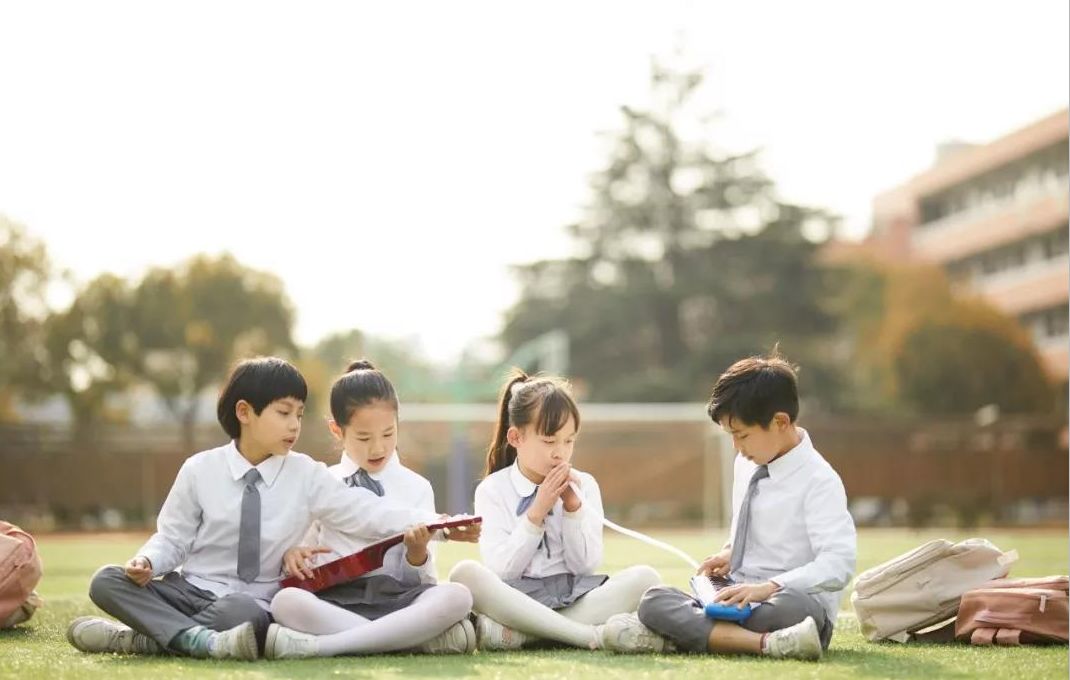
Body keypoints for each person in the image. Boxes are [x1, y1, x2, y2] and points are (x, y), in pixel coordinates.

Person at [67, 356, 438, 660]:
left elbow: (367, 512)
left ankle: (141, 639)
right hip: (187, 588)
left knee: (243, 617)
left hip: (248, 603)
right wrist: (147, 562)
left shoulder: (307, 475)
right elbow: (172, 538)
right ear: (245, 412)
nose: (295, 425)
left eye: (299, 413)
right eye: (283, 413)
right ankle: (192, 639)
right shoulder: (200, 469)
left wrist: (440, 523)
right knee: (106, 580)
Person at [601, 352, 857, 661]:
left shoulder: (819, 480)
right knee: (654, 600)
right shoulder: (746, 463)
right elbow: (744, 532)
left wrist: (768, 587)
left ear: (780, 421)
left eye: (742, 435)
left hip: (785, 604)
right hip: (736, 597)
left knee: (794, 608)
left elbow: (838, 563)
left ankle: (676, 638)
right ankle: (764, 643)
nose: (736, 446)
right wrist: (729, 553)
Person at [265, 360, 478, 658]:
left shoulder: (417, 487)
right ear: (337, 430)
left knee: (458, 596)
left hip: (399, 601)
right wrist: (293, 557)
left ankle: (324, 646)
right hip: (336, 601)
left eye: (388, 434)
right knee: (285, 601)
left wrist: (417, 556)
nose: (378, 448)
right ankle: (411, 640)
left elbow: (423, 580)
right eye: (364, 438)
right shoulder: (321, 482)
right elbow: (299, 555)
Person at [448, 370, 661, 651]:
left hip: (574, 595)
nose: (560, 452)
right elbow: (503, 571)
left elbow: (585, 567)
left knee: (646, 579)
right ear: (515, 438)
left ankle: (525, 635)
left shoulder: (585, 485)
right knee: (464, 574)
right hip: (517, 599)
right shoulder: (492, 490)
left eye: (569, 440)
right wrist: (536, 513)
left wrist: (573, 510)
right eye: (549, 441)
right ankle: (585, 636)